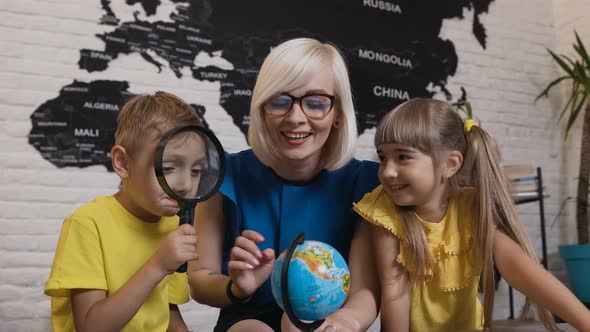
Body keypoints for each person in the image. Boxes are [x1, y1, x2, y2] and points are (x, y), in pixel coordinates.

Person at [188, 38, 381, 332]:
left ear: (339, 113)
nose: (295, 118)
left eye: (316, 103)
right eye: (279, 101)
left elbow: (364, 292)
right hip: (245, 320)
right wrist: (236, 287)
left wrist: (347, 322)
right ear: (262, 110)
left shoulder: (365, 184)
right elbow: (200, 280)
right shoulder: (225, 175)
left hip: (327, 318)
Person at [354, 98, 590, 332]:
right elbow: (395, 292)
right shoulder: (384, 212)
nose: (387, 171)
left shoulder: (471, 207)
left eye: (403, 157)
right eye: (383, 157)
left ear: (450, 164)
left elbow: (519, 267)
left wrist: (584, 322)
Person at [44, 91, 202, 332]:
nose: (185, 185)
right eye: (168, 167)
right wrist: (159, 265)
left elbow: (165, 312)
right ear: (123, 163)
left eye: (196, 170)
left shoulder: (173, 227)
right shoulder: (88, 224)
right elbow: (91, 327)